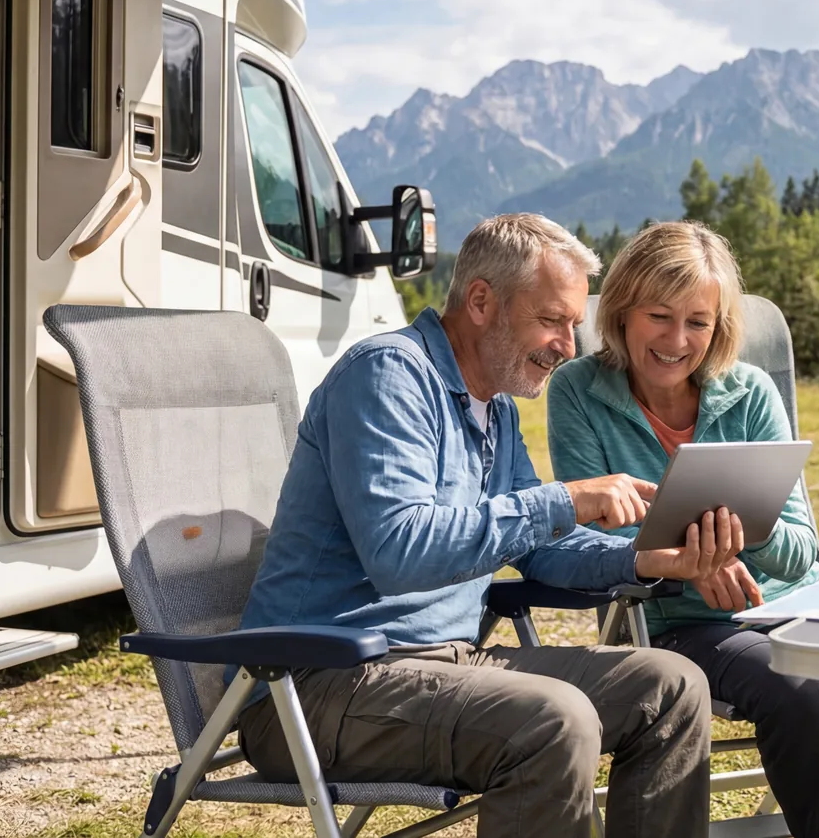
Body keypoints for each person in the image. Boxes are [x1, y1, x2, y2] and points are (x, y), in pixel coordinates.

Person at [237, 213, 746, 838]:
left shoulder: (494, 407)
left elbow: (542, 548)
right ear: (481, 301)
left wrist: (643, 559)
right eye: (552, 320)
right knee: (555, 720)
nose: (568, 344)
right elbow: (400, 553)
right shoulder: (386, 377)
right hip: (317, 682)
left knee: (670, 685)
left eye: (572, 324)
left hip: (447, 666)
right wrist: (564, 500)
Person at [546, 221, 819, 838]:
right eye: (659, 316)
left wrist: (745, 534)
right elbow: (594, 543)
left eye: (698, 322)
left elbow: (799, 553)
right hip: (678, 621)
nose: (677, 339)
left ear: (718, 328)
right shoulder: (578, 391)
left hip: (795, 606)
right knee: (794, 690)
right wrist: (693, 560)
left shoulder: (751, 392)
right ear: (624, 311)